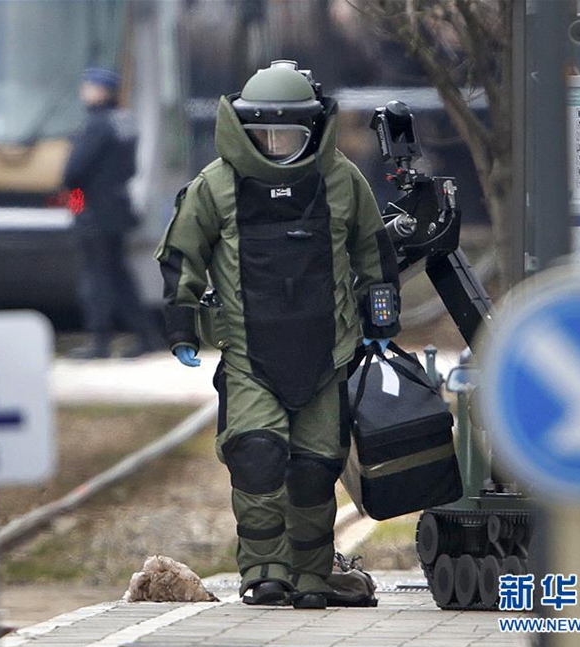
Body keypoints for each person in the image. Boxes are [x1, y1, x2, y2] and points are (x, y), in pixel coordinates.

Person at [155, 60, 401, 609]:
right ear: (243, 131)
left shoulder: (341, 180)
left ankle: (312, 576)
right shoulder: (215, 186)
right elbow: (182, 255)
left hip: (327, 355)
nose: (275, 144)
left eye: (287, 134)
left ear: (312, 130)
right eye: (263, 134)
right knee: (257, 456)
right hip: (249, 356)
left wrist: (381, 318)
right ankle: (265, 570)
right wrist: (181, 323)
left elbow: (372, 252)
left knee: (315, 472)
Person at [64, 67, 157, 359]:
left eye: (89, 87)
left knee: (96, 276)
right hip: (119, 206)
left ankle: (99, 340)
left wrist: (76, 210)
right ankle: (146, 334)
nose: (84, 92)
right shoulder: (125, 120)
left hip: (91, 207)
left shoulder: (96, 124)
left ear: (101, 91)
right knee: (118, 274)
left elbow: (73, 175)